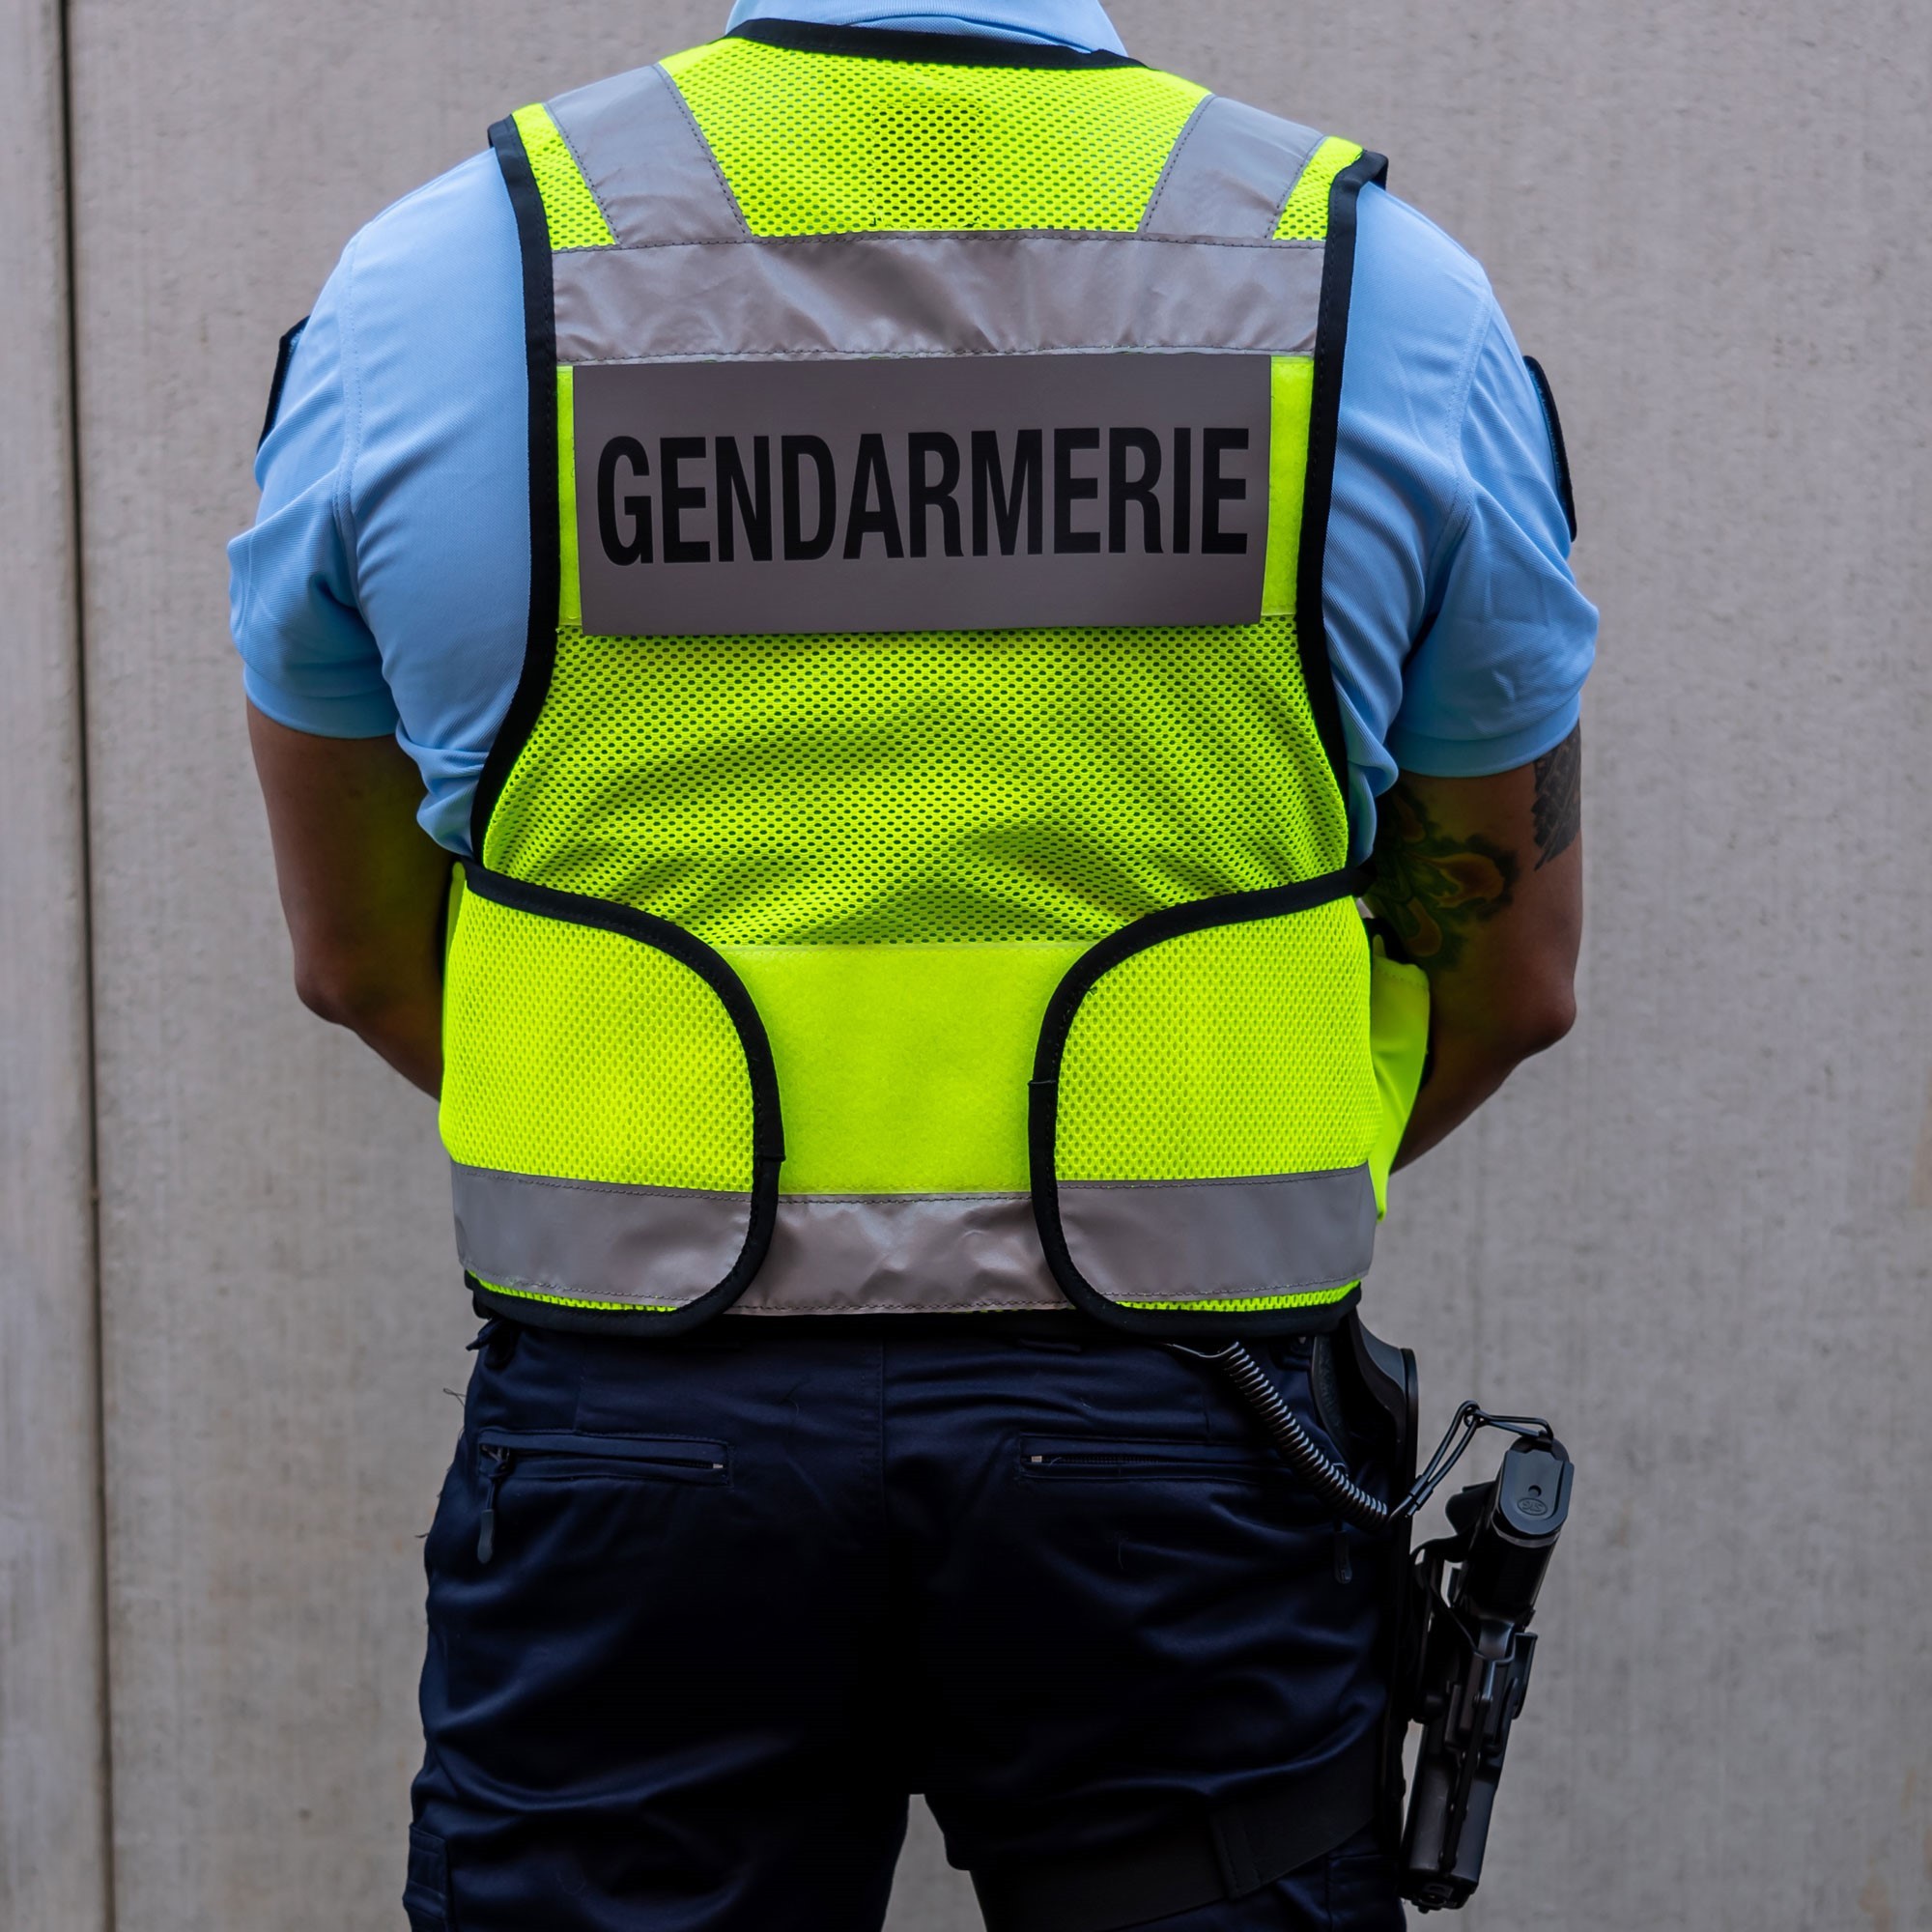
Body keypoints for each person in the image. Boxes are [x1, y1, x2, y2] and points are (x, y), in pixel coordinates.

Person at [232, 2, 1594, 1926]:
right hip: (1183, 1432)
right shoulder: (1383, 292)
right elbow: (1508, 965)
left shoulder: (437, 282)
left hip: (643, 1431)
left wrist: (699, 1178)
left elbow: (361, 950)